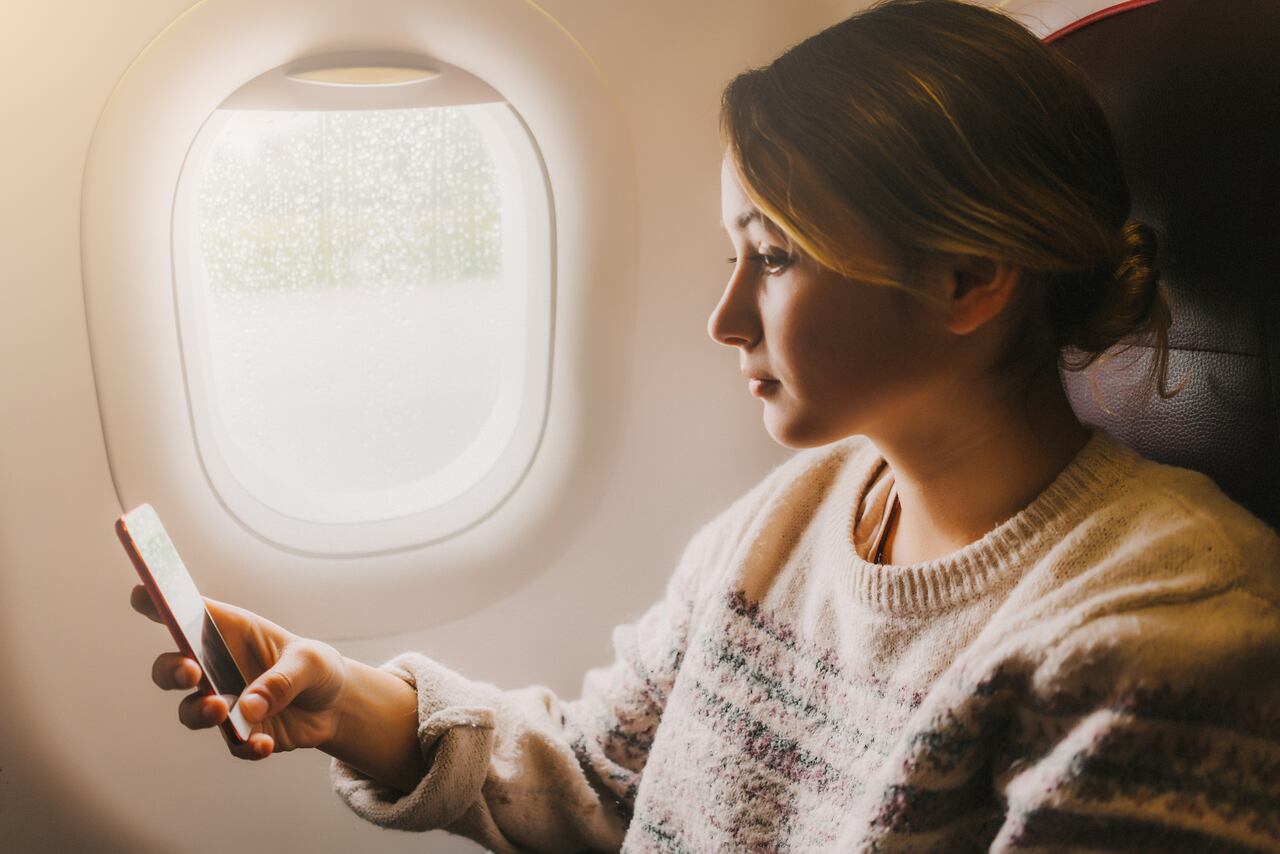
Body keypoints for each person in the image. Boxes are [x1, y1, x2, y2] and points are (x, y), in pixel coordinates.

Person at [130, 0, 1280, 850]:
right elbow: (604, 783)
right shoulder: (793, 519)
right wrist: (348, 700)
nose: (723, 316)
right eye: (734, 251)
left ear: (967, 276)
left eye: (773, 256)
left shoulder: (1154, 637)